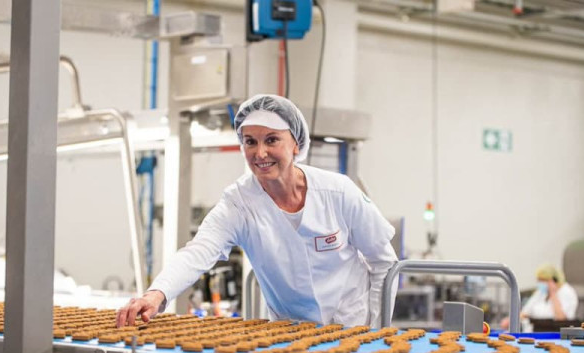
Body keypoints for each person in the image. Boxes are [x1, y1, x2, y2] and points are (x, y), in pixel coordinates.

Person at [116, 94, 398, 328]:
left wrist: (375, 330)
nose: (260, 153)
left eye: (272, 140)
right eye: (250, 142)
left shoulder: (338, 192)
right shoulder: (239, 203)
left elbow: (384, 262)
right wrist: (157, 294)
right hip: (291, 333)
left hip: (354, 327)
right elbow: (198, 251)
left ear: (295, 144)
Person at [500, 264, 578, 329]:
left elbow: (561, 318)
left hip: (555, 332)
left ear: (554, 280)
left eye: (543, 280)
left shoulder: (567, 292)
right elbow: (526, 311)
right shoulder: (541, 293)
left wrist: (553, 294)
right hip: (535, 330)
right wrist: (511, 320)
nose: (540, 283)